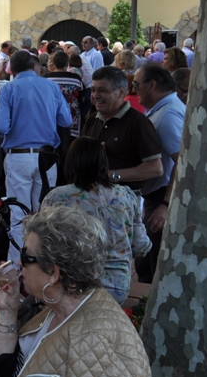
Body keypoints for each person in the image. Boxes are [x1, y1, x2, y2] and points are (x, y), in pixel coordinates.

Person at [0, 206, 159, 377]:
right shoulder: (57, 310)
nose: (18, 263)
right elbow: (7, 374)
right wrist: (7, 311)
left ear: (54, 273)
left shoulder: (97, 344)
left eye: (26, 256)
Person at [41, 137, 151, 303]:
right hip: (117, 287)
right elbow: (142, 247)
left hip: (73, 286)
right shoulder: (126, 195)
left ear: (71, 163)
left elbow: (43, 246)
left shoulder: (57, 198)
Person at [0, 50, 71, 262]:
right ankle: (43, 264)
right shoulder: (51, 86)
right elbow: (66, 120)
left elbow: (1, 125)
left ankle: (19, 266)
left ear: (13, 69)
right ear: (34, 66)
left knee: (19, 214)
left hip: (19, 156)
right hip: (47, 156)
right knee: (44, 214)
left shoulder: (8, 89)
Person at [133, 63, 185, 283]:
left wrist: (165, 205)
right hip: (157, 195)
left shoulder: (167, 116)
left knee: (151, 265)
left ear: (151, 85)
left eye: (137, 86)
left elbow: (182, 163)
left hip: (162, 196)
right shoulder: (163, 109)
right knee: (146, 261)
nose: (135, 91)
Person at [81, 66, 163, 196]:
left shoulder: (138, 123)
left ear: (121, 92)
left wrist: (112, 175)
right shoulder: (92, 119)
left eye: (102, 90)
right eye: (93, 90)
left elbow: (155, 168)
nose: (95, 96)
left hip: (124, 201)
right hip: (91, 195)